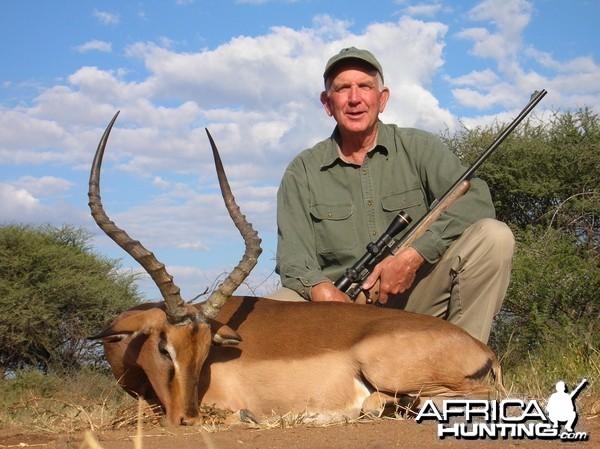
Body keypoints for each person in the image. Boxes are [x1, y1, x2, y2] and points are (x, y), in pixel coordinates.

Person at [269, 47, 514, 343]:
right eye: (343, 88)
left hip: (416, 301)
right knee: (275, 308)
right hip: (337, 312)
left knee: (494, 237)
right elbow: (293, 258)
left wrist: (413, 256)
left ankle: (464, 370)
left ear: (382, 98)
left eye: (365, 87)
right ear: (327, 103)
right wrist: (323, 291)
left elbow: (477, 199)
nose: (355, 98)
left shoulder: (419, 146)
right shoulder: (302, 171)